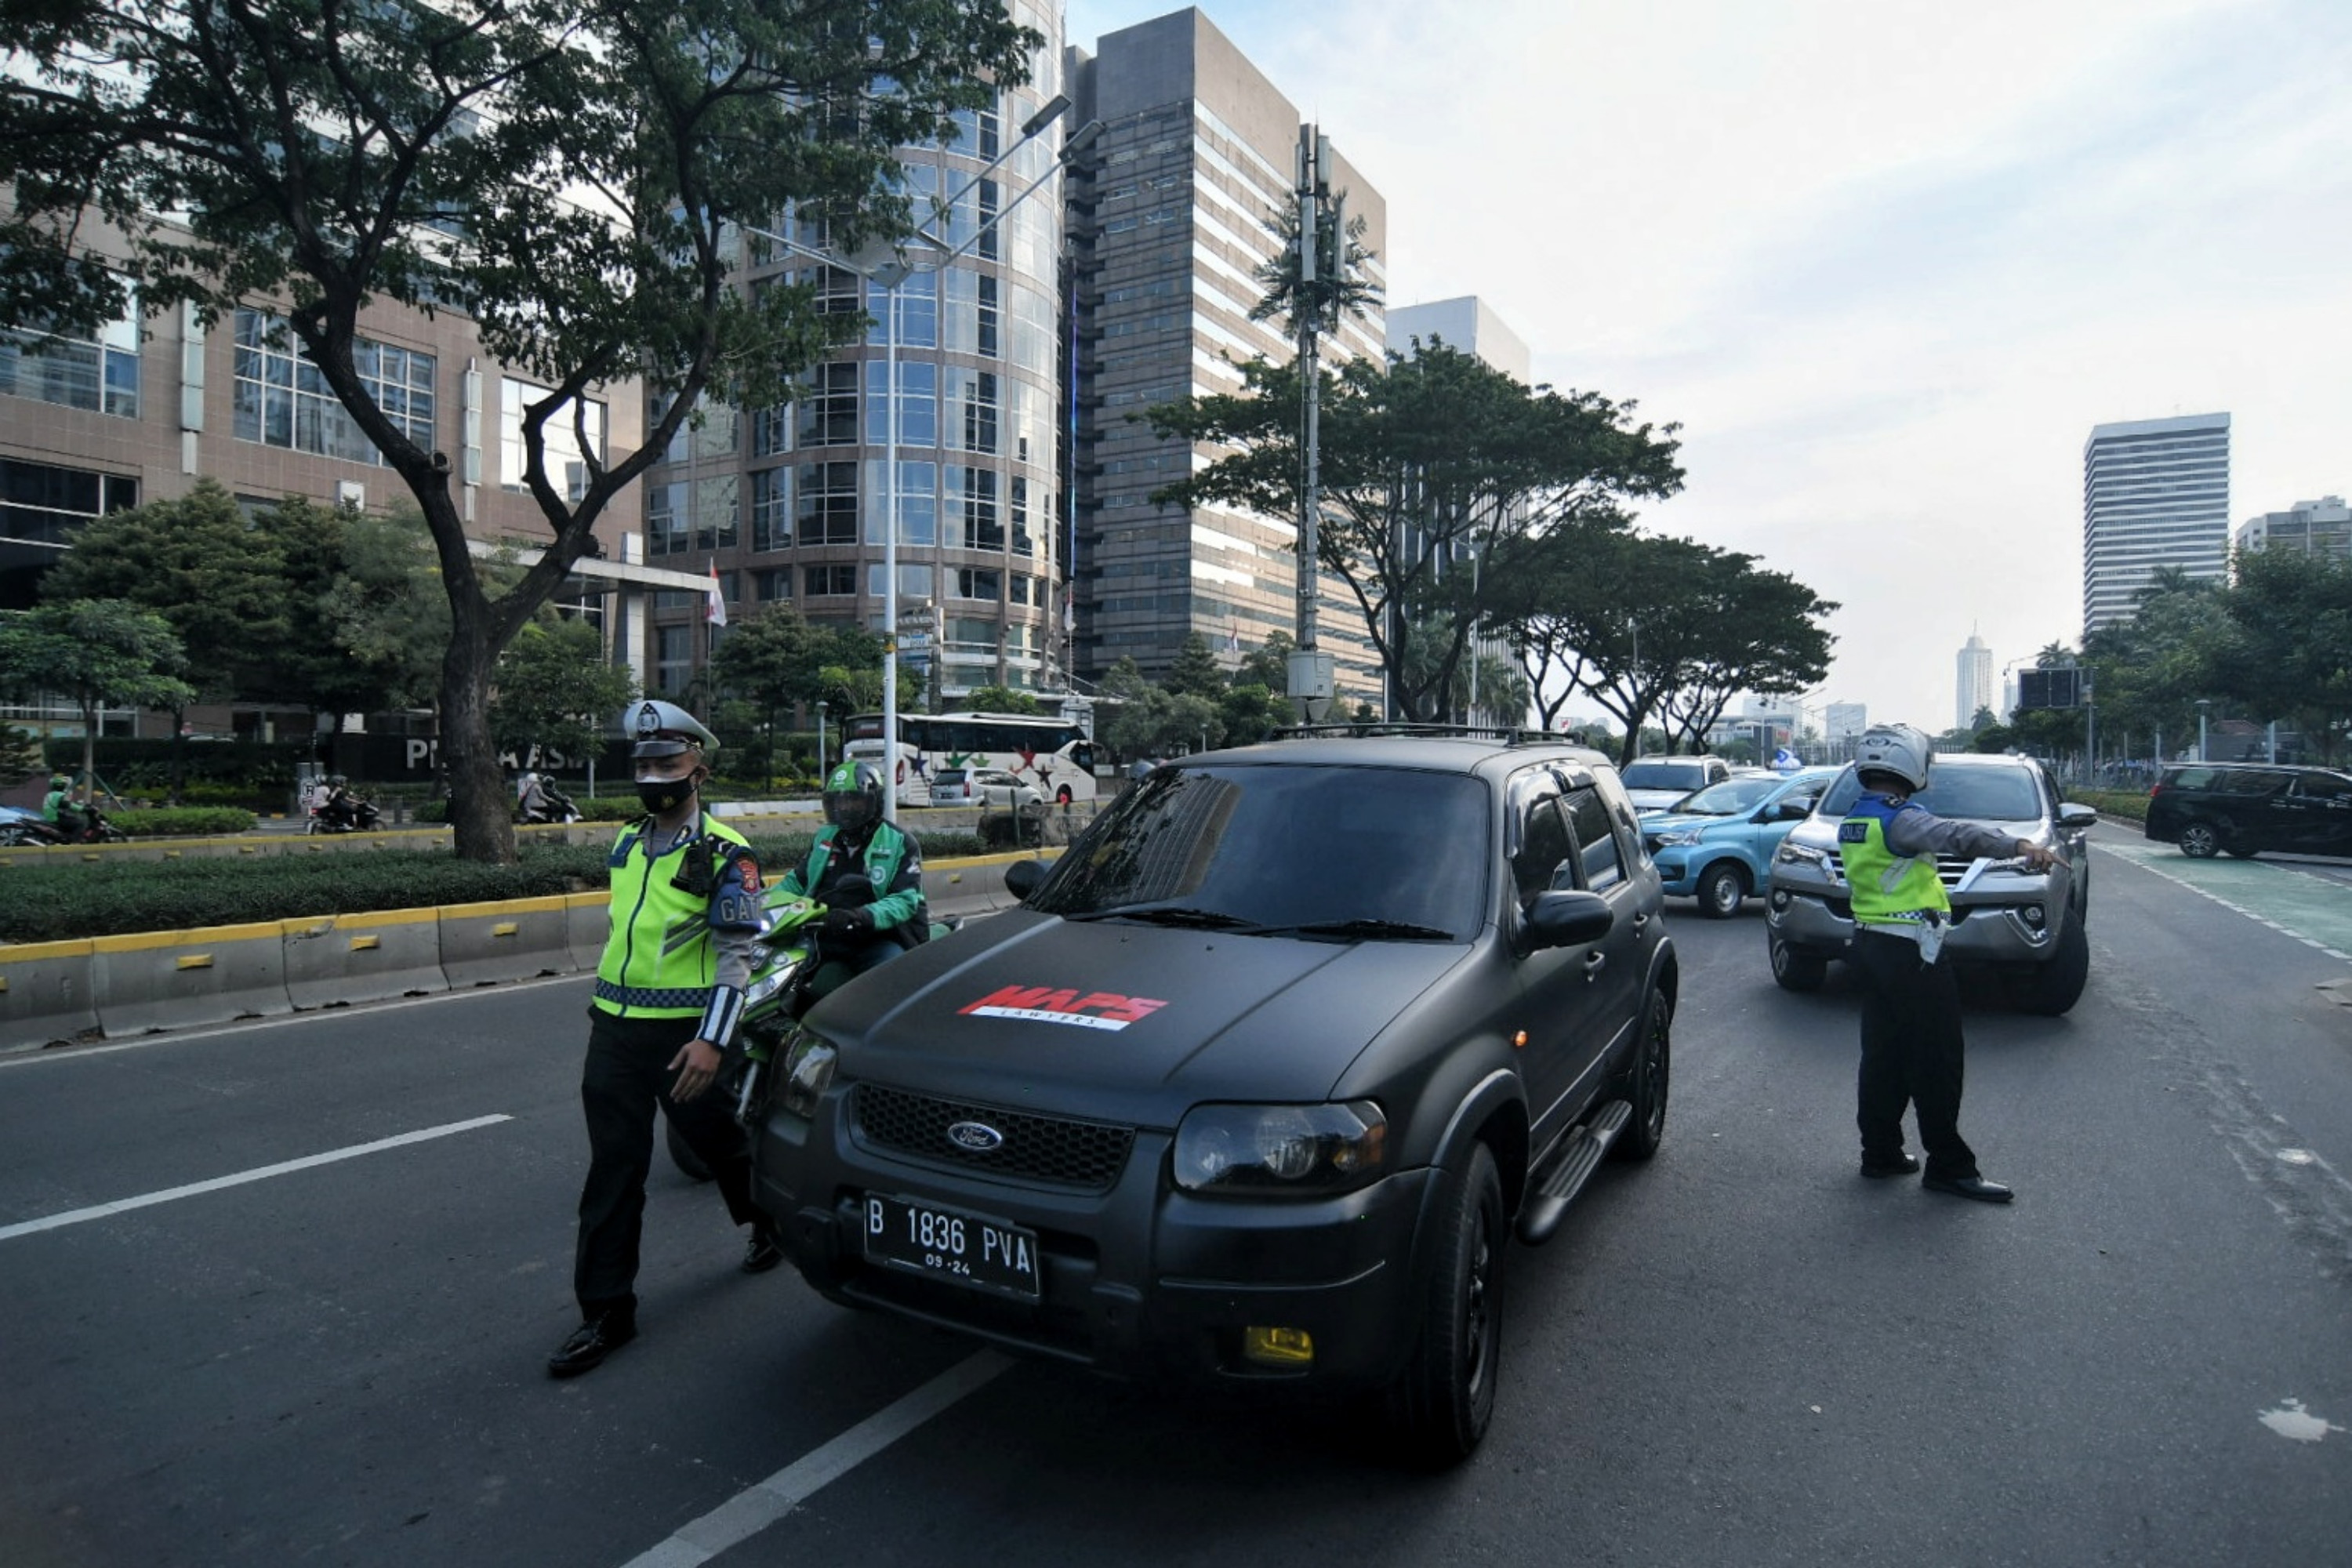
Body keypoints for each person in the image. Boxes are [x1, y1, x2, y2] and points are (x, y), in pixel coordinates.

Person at [548, 699, 777, 1377]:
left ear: (698, 770)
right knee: (614, 1170)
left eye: (667, 764)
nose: (652, 776)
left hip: (688, 1039)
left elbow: (739, 957)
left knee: (721, 1145)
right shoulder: (624, 840)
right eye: (643, 764)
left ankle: (766, 1222)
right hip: (614, 1032)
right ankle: (607, 1312)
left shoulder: (728, 855)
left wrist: (711, 1042)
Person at [1840, 724, 2063, 1204]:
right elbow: (1955, 835)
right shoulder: (1901, 820)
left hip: (1872, 945)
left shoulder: (1858, 817)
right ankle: (1949, 1166)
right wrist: (2019, 845)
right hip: (1912, 953)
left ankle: (1879, 1152)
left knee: (1884, 1055)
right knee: (1937, 1058)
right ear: (1913, 767)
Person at [778, 760, 927, 996]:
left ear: (874, 801)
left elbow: (905, 900)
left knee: (890, 981)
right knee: (784, 973)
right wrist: (759, 902)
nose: (845, 808)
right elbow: (797, 881)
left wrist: (862, 915)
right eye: (838, 801)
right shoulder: (825, 837)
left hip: (881, 938)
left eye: (853, 800)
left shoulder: (899, 842)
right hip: (827, 934)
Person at [42, 773, 89, 841]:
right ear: (63, 786)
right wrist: (83, 809)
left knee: (72, 819)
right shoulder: (60, 795)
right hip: (56, 818)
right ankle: (74, 842)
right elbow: (68, 805)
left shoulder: (50, 794)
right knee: (80, 824)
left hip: (50, 817)